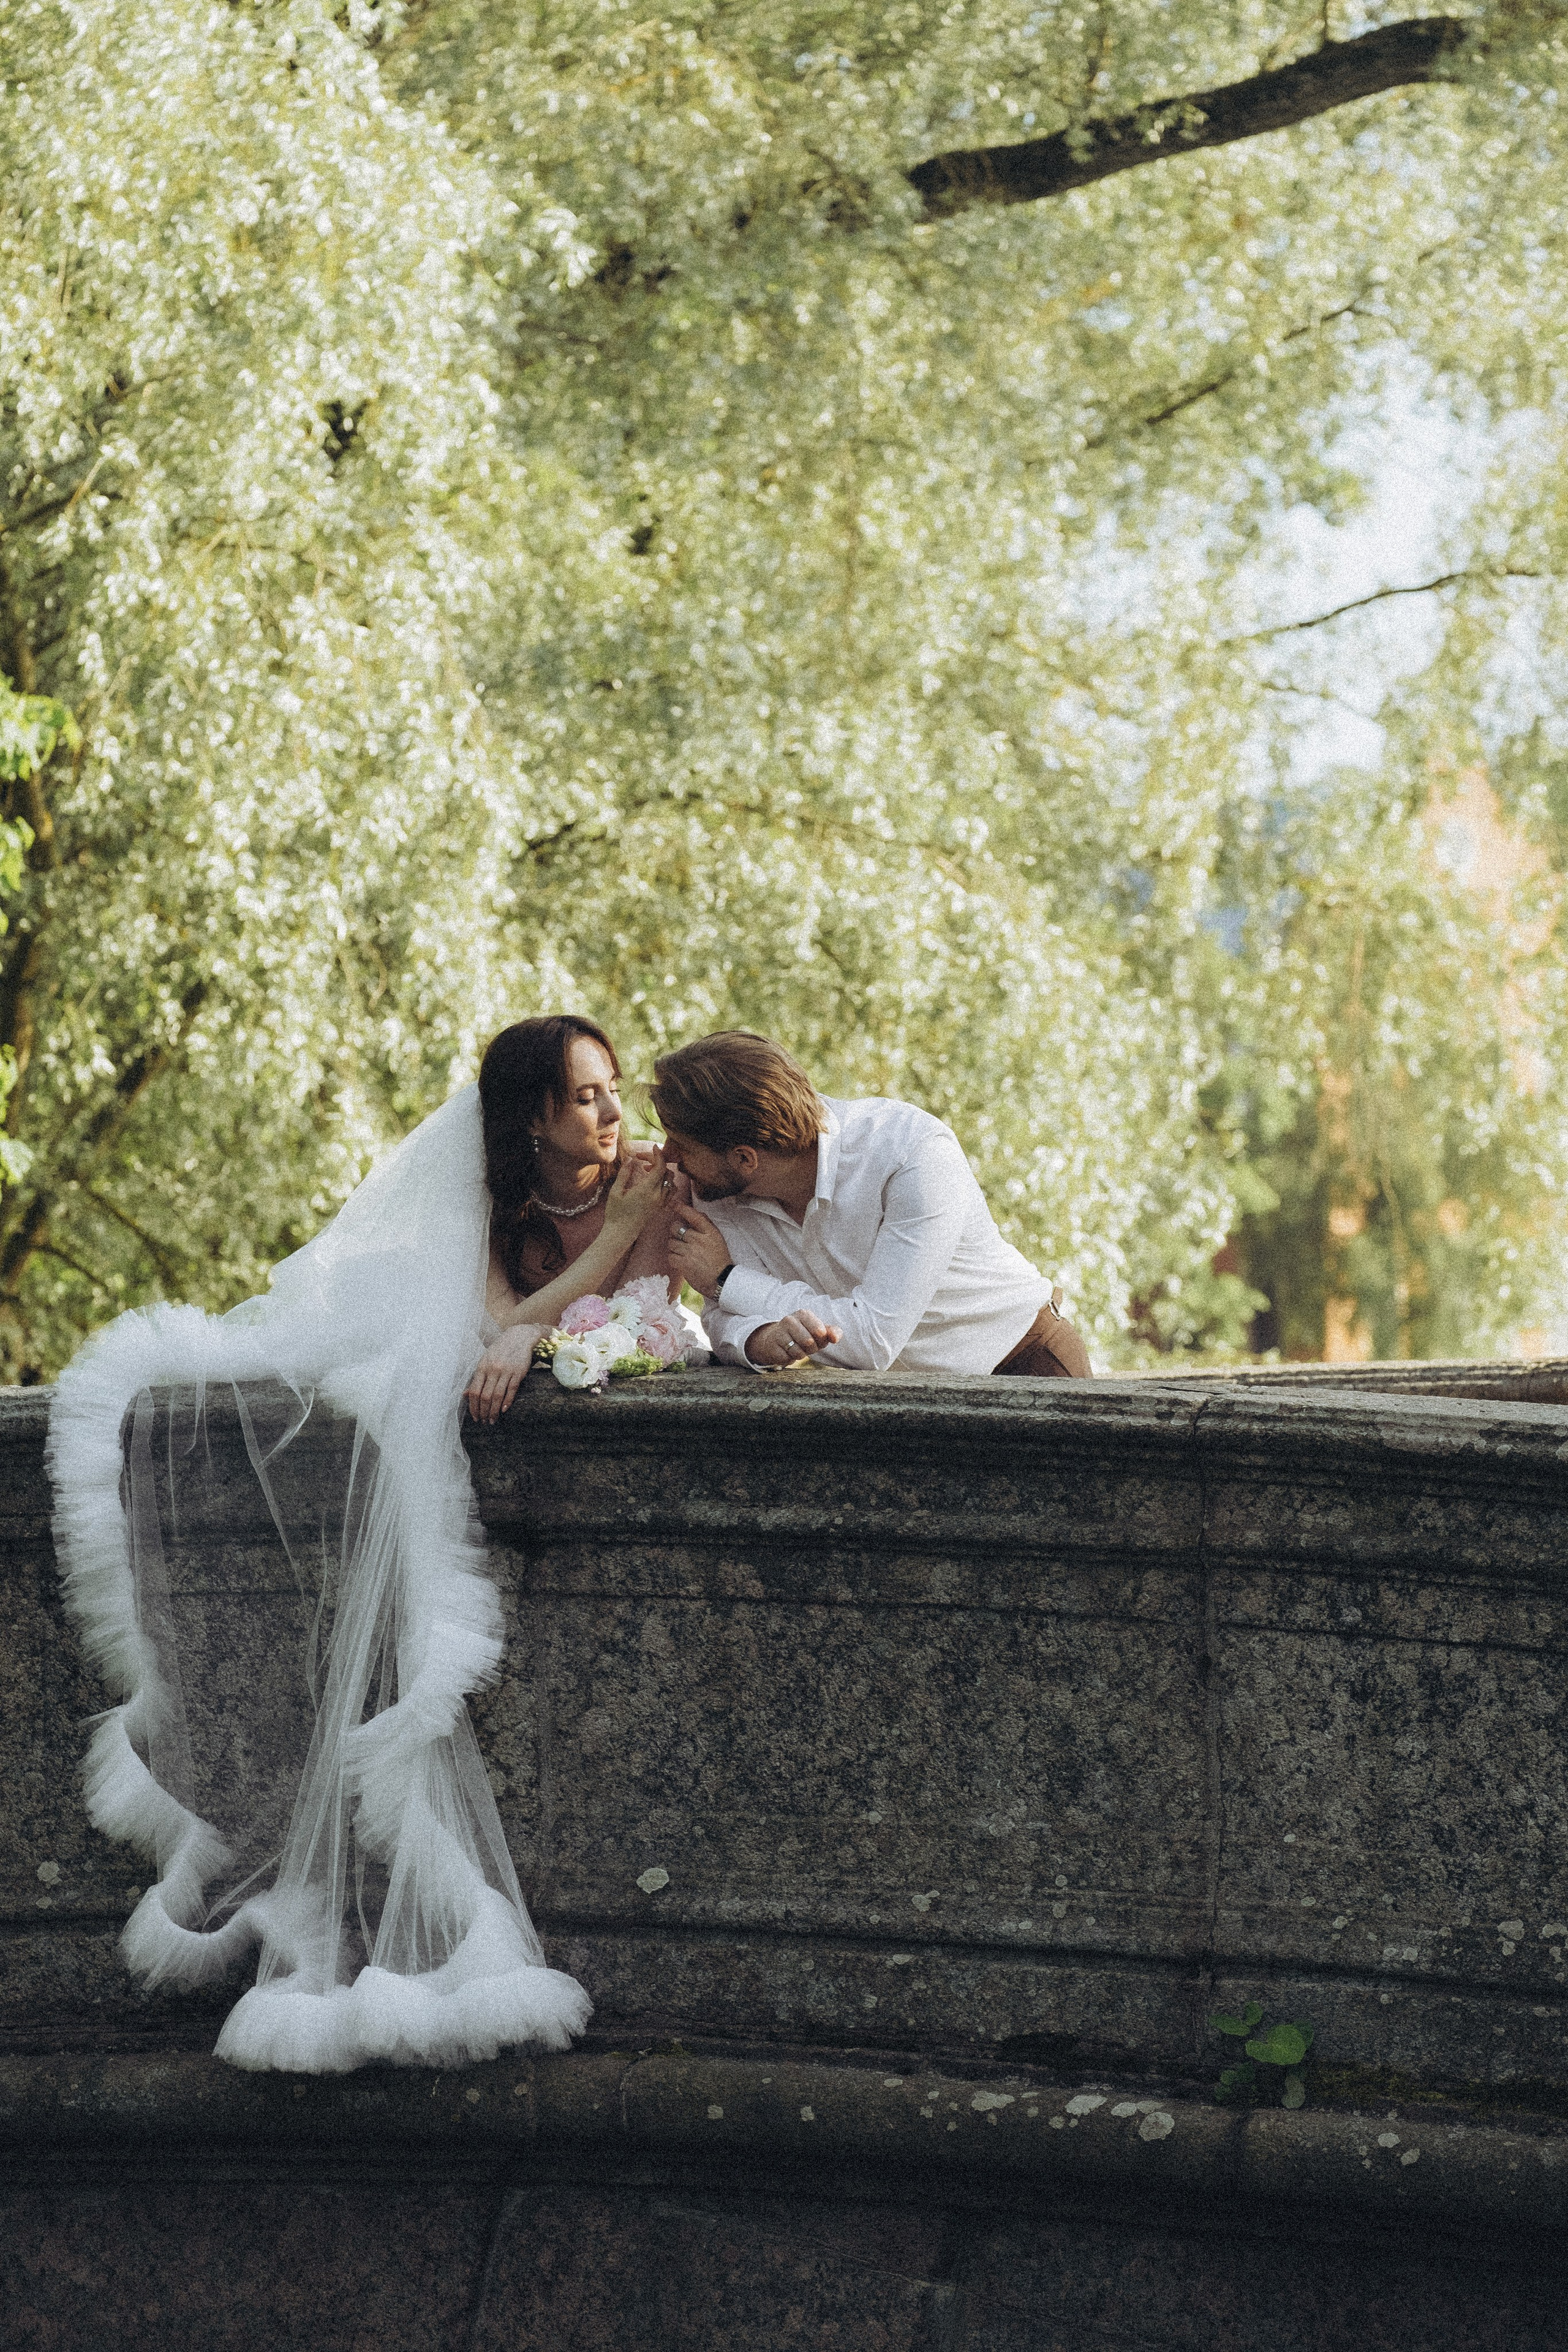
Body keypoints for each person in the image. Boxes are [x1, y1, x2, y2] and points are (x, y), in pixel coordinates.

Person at [47, 1014, 673, 2076]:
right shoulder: (490, 1203)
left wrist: (593, 1283)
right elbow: (485, 1331)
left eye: (613, 1090)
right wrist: (573, 1283)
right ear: (530, 1117)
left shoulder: (649, 1184)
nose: (613, 1113)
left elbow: (662, 1308)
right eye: (585, 1097)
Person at [652, 1030, 1091, 1379]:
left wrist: (730, 1280)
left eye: (681, 1143)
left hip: (1022, 1363)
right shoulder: (716, 1185)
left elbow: (871, 1339)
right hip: (899, 1402)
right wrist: (759, 1341)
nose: (668, 1154)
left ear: (745, 1158)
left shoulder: (912, 1152)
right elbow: (720, 1314)